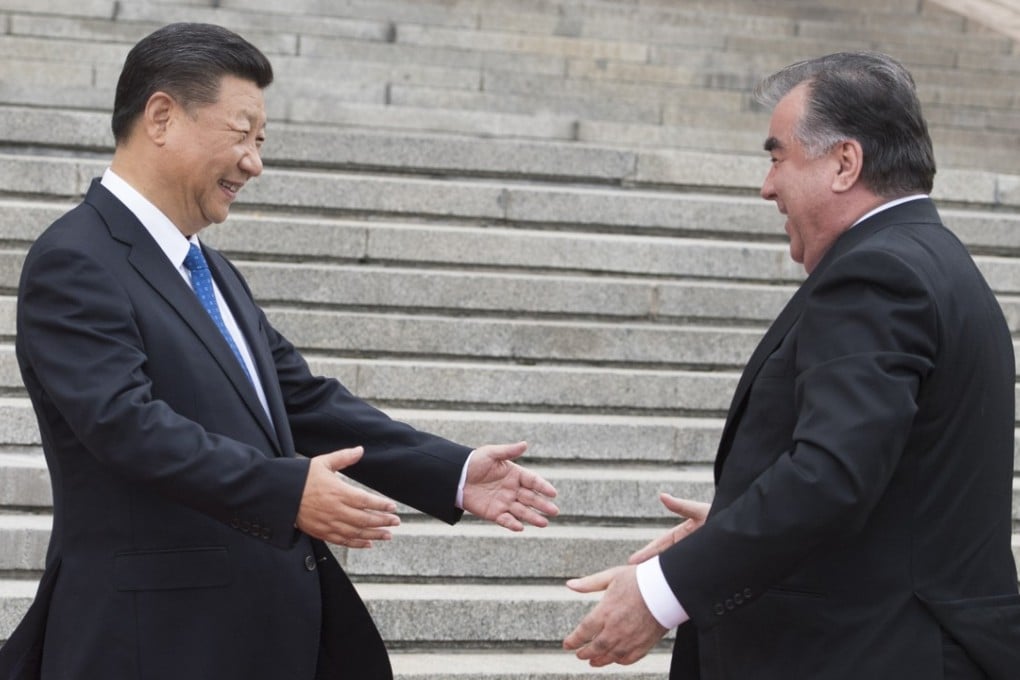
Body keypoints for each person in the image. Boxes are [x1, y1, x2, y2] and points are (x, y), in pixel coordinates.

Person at [0, 22, 559, 680]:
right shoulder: (75, 259)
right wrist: (287, 489)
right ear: (161, 117)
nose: (254, 163)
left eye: (260, 142)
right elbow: (125, 426)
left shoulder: (210, 271)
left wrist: (452, 472)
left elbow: (301, 399)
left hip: (250, 633)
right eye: (242, 135)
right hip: (154, 640)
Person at [563, 52, 1020, 679]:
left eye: (778, 158)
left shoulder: (878, 274)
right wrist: (736, 526)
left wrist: (664, 590)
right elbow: (896, 483)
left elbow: (831, 475)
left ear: (845, 163)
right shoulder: (933, 260)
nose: (767, 186)